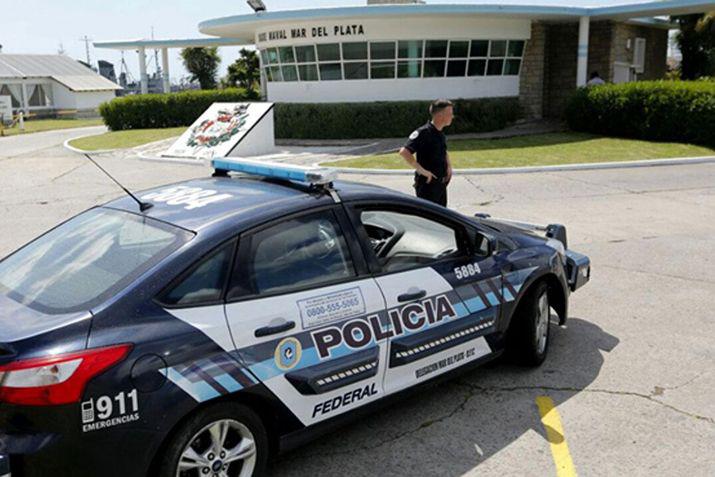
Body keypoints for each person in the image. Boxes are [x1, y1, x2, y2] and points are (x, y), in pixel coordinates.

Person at [399, 99, 454, 207]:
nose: (452, 116)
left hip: (441, 184)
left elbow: (443, 150)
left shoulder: (440, 133)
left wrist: (449, 166)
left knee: (442, 219)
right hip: (428, 185)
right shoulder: (423, 132)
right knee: (429, 220)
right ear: (440, 115)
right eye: (450, 114)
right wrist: (422, 171)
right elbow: (404, 152)